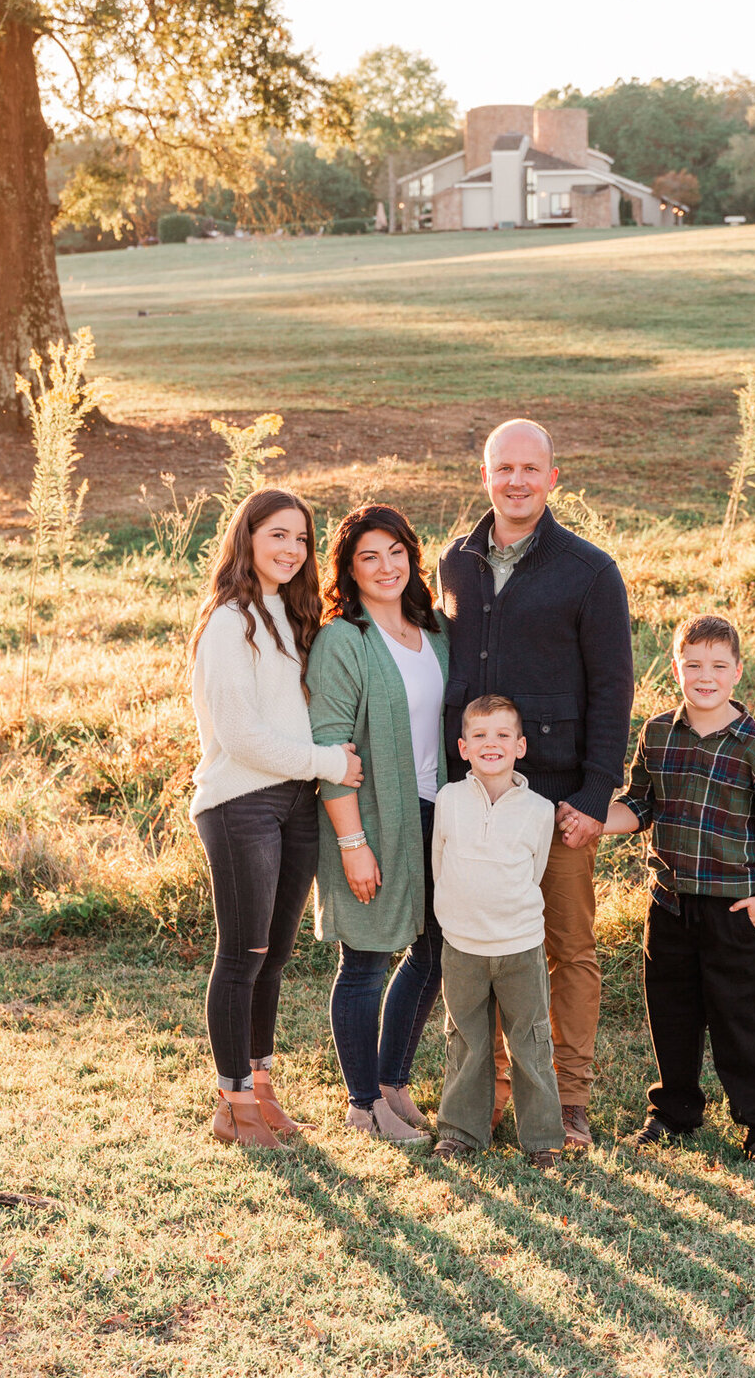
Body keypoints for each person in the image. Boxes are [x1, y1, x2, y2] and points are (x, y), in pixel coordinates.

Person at [437, 418, 634, 1150]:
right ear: (485, 476)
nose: (515, 481)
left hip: (555, 805)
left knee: (567, 949)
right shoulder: (454, 562)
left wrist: (591, 798)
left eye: (530, 468)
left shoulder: (589, 571)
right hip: (474, 798)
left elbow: (613, 690)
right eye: (502, 468)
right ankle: (485, 1098)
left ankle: (569, 1101)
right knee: (479, 942)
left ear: (554, 478)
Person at [566, 613, 755, 1166]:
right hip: (669, 902)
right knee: (670, 1011)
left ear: (737, 672)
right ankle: (675, 1111)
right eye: (693, 664)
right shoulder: (657, 733)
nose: (705, 676)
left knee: (738, 1015)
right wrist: (594, 817)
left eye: (718, 666)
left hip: (734, 907)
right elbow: (641, 804)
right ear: (676, 666)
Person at [189, 488, 363, 1149]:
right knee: (243, 955)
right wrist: (327, 762)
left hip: (294, 802)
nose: (292, 550)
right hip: (241, 802)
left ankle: (261, 1091)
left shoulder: (289, 616)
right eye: (278, 536)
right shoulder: (230, 623)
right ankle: (230, 1105)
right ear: (247, 538)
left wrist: (315, 771)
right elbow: (239, 736)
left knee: (275, 956)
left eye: (302, 540)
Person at [308, 503, 450, 1145]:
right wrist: (352, 844)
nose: (386, 566)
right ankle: (362, 1104)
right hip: (368, 817)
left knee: (434, 950)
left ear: (411, 557)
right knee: (365, 957)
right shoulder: (345, 638)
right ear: (349, 568)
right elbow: (329, 743)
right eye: (369, 556)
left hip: (436, 813)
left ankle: (392, 1082)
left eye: (396, 552)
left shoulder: (434, 629)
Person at [431, 696, 567, 1170]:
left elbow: (536, 871)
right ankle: (460, 1131)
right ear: (463, 747)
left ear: (521, 745)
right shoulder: (448, 800)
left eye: (503, 735)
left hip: (520, 946)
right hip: (462, 946)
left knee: (530, 1041)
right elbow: (439, 865)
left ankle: (544, 1138)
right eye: (481, 736)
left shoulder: (538, 809)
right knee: (466, 1040)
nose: (492, 744)